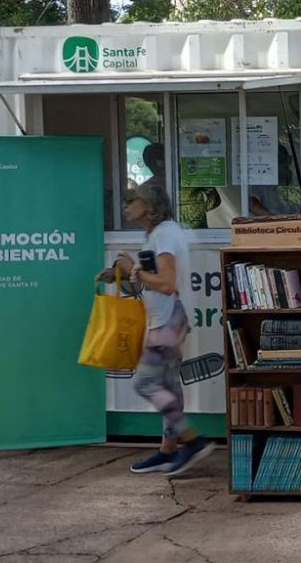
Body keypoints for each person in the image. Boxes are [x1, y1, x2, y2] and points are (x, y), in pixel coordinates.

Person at [111, 182, 215, 476]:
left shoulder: (165, 234)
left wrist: (133, 269)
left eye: (131, 201)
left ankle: (192, 440)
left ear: (149, 205)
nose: (125, 206)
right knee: (169, 386)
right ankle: (168, 452)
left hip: (169, 319)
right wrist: (120, 274)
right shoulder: (159, 234)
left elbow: (167, 284)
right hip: (169, 319)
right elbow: (154, 279)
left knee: (145, 382)